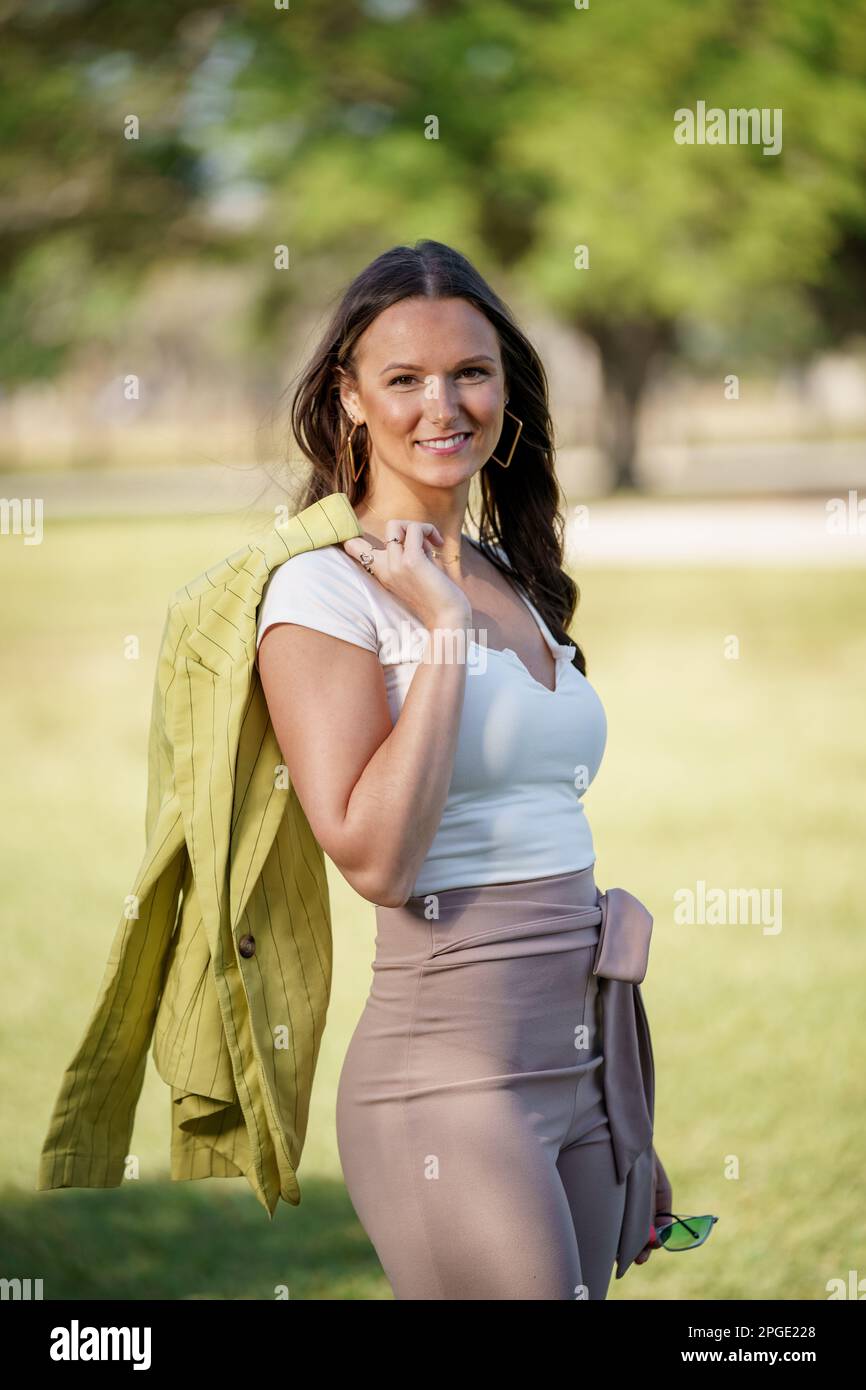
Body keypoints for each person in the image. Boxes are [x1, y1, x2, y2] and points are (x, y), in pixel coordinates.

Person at [256, 238, 670, 1299]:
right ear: (348, 398)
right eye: (402, 379)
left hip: (580, 1065)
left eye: (470, 373)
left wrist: (620, 1102)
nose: (442, 405)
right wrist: (438, 635)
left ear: (506, 389)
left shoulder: (505, 573)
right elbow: (377, 861)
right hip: (447, 1083)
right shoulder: (322, 592)